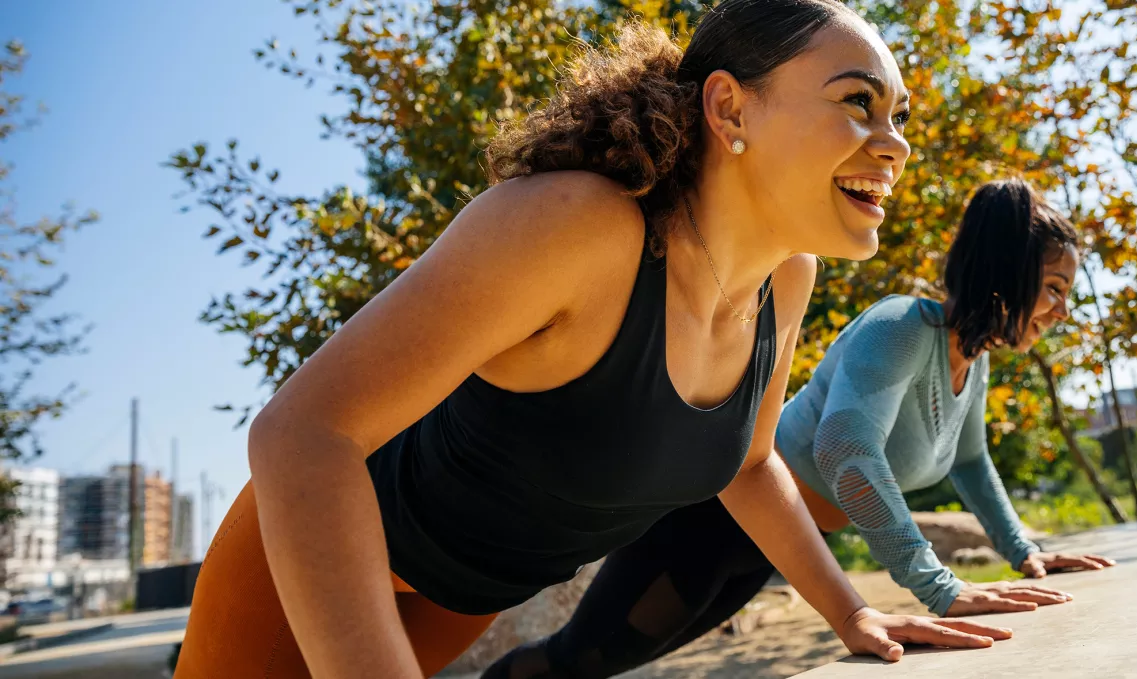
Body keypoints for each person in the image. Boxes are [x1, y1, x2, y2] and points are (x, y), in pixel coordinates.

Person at [174, 2, 1016, 677]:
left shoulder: (785, 279)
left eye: (899, 115)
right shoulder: (577, 226)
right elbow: (301, 433)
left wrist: (851, 610)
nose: (896, 142)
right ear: (729, 107)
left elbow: (754, 466)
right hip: (313, 559)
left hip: (467, 593)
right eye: (857, 102)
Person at [484, 179, 1117, 679]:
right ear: (1009, 274)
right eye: (1055, 287)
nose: (1063, 308)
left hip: (776, 545)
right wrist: (937, 586)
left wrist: (1024, 552)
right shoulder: (901, 328)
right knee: (579, 660)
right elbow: (846, 449)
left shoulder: (969, 362)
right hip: (713, 519)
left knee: (606, 663)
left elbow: (973, 464)